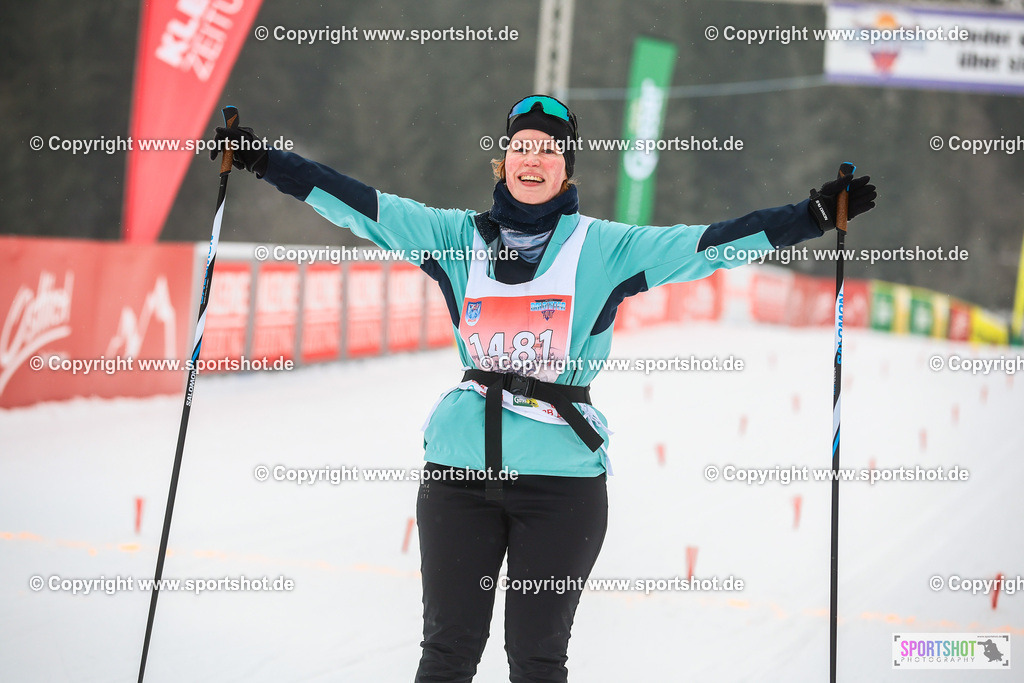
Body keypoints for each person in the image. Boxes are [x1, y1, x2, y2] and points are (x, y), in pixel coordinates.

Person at [212, 94, 876, 682]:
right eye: (522, 146)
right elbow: (360, 205)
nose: (534, 158)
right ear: (503, 162)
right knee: (447, 653)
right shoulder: (452, 238)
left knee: (535, 660)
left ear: (566, 168)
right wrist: (263, 160)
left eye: (550, 150)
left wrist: (813, 214)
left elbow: (708, 245)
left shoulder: (605, 249)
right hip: (457, 477)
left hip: (562, 488)